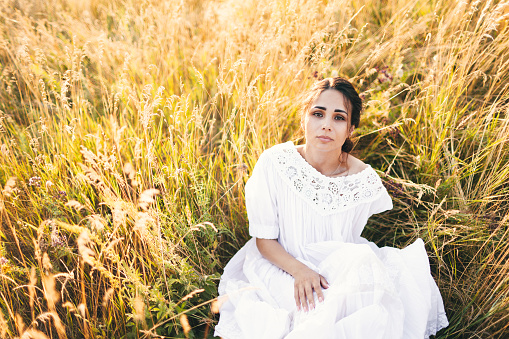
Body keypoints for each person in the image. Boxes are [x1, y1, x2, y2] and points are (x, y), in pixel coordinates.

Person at [214, 77, 448, 339]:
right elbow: (264, 241)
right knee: (319, 313)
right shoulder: (275, 162)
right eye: (318, 114)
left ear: (350, 129)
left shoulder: (362, 178)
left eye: (338, 118)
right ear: (304, 118)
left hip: (337, 266)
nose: (326, 125)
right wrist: (301, 271)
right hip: (280, 263)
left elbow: (345, 240)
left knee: (364, 280)